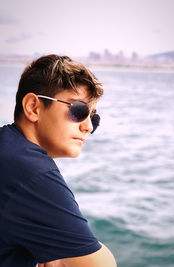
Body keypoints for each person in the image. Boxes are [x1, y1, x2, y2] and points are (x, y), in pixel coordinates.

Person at [0, 54, 117, 267]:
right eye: (79, 110)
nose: (89, 127)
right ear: (33, 108)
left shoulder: (7, 147)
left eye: (94, 117)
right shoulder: (30, 172)